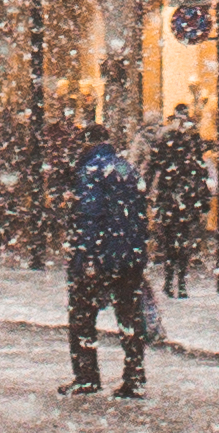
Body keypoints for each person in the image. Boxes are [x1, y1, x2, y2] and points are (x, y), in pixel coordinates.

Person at [62, 127, 152, 396]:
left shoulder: (89, 172)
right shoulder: (126, 168)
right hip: (128, 257)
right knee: (129, 315)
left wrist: (87, 257)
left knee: (82, 315)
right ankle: (134, 376)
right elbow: (139, 214)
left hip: (100, 257)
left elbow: (90, 217)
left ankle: (87, 376)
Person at [150, 125, 212, 299]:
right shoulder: (191, 161)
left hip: (171, 206)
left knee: (170, 243)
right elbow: (201, 181)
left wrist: (159, 204)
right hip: (186, 206)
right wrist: (202, 203)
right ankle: (181, 282)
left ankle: (170, 280)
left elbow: (160, 183)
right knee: (183, 242)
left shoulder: (167, 161)